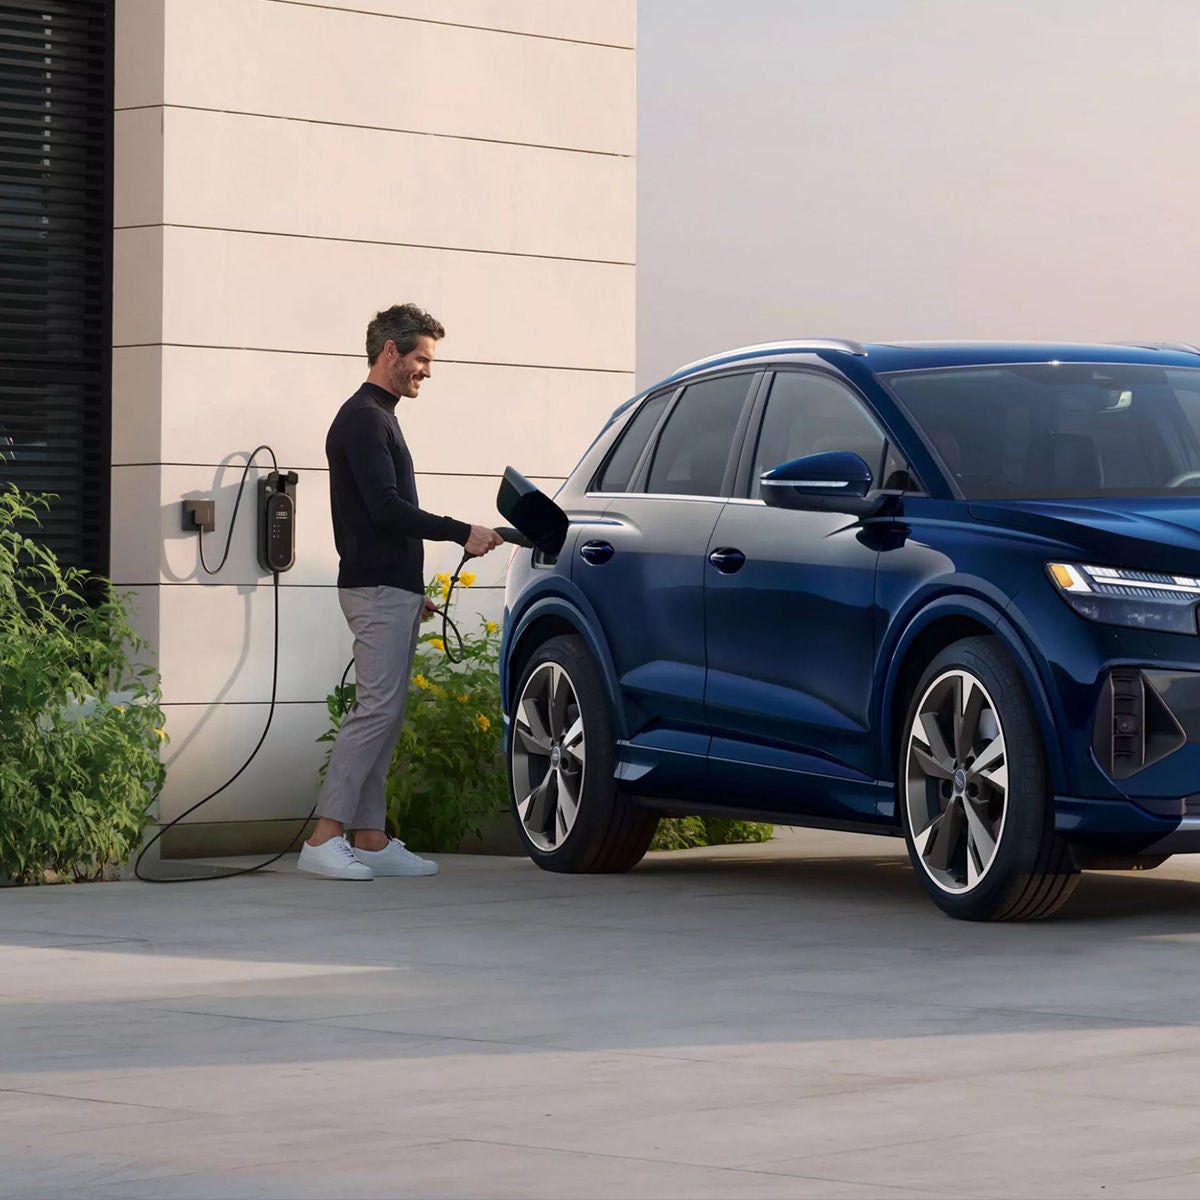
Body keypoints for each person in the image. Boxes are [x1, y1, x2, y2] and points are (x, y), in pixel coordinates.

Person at [298, 304, 503, 880]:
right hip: (375, 588)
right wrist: (463, 531)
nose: (427, 371)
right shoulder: (364, 419)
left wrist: (413, 591)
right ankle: (323, 838)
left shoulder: (378, 416)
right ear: (390, 351)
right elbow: (387, 510)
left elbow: (377, 514)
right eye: (421, 358)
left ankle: (369, 837)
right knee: (375, 711)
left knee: (384, 714)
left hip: (390, 588)